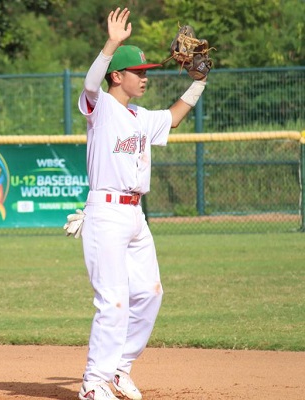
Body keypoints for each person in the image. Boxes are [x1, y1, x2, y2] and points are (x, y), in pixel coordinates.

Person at [76, 8, 208, 400]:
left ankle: (118, 370)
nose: (146, 76)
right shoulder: (100, 108)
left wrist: (199, 82)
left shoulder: (139, 115)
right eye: (139, 72)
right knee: (113, 301)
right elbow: (89, 82)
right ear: (117, 76)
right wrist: (111, 44)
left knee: (150, 294)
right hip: (106, 213)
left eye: (148, 71)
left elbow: (173, 117)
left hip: (135, 216)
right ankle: (92, 384)